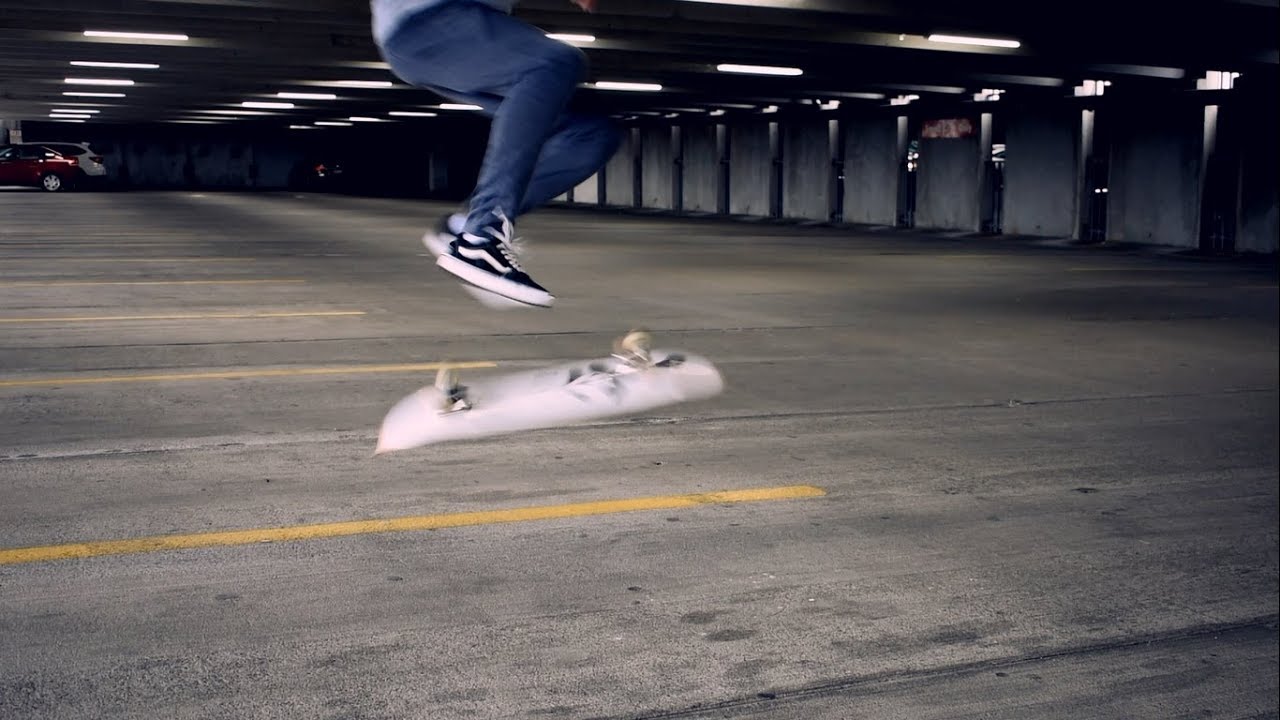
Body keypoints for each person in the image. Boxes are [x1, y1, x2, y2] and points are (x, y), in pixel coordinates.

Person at [371, 0, 622, 307]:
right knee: (554, 62)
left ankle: (463, 226)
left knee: (591, 133)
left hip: (435, 42)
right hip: (427, 23)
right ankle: (481, 238)